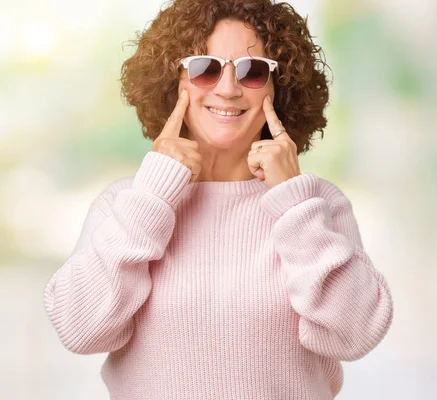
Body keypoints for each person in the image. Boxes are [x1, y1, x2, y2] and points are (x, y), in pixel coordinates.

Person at [43, 0, 393, 399]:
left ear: (277, 89)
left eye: (253, 71)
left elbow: (356, 334)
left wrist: (291, 202)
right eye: (205, 68)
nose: (228, 89)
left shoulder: (317, 206)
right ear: (176, 81)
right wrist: (154, 194)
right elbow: (79, 329)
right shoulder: (126, 203)